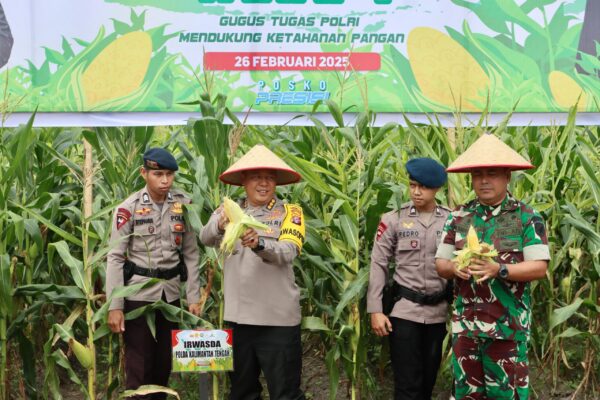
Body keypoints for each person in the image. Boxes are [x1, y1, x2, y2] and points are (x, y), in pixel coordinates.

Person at [435, 133, 550, 400]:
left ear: (507, 176)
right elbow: (441, 263)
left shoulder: (526, 217)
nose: (484, 180)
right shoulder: (460, 216)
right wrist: (454, 269)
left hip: (507, 330)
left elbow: (539, 268)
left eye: (492, 173)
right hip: (466, 330)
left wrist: (498, 269)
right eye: (478, 174)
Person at [200, 144, 306, 400]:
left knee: (285, 393)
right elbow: (204, 237)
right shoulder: (226, 211)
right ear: (243, 181)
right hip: (238, 320)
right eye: (257, 177)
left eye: (269, 177)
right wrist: (220, 223)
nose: (264, 183)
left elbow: (288, 251)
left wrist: (259, 244)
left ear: (277, 183)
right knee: (242, 392)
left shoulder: (290, 213)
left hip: (277, 322)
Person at [105, 148, 201, 399]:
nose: (165, 181)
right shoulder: (129, 208)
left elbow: (191, 253)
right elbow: (115, 257)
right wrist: (115, 305)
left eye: (169, 174)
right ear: (143, 173)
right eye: (158, 174)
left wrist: (193, 296)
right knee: (139, 366)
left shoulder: (183, 205)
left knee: (164, 364)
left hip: (170, 296)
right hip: (139, 297)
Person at [367, 157, 451, 400]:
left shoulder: (450, 220)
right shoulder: (393, 219)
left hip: (437, 312)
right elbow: (379, 263)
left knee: (428, 382)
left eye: (423, 187)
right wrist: (375, 310)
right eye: (412, 185)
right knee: (406, 385)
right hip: (404, 312)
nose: (416, 191)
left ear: (436, 188)